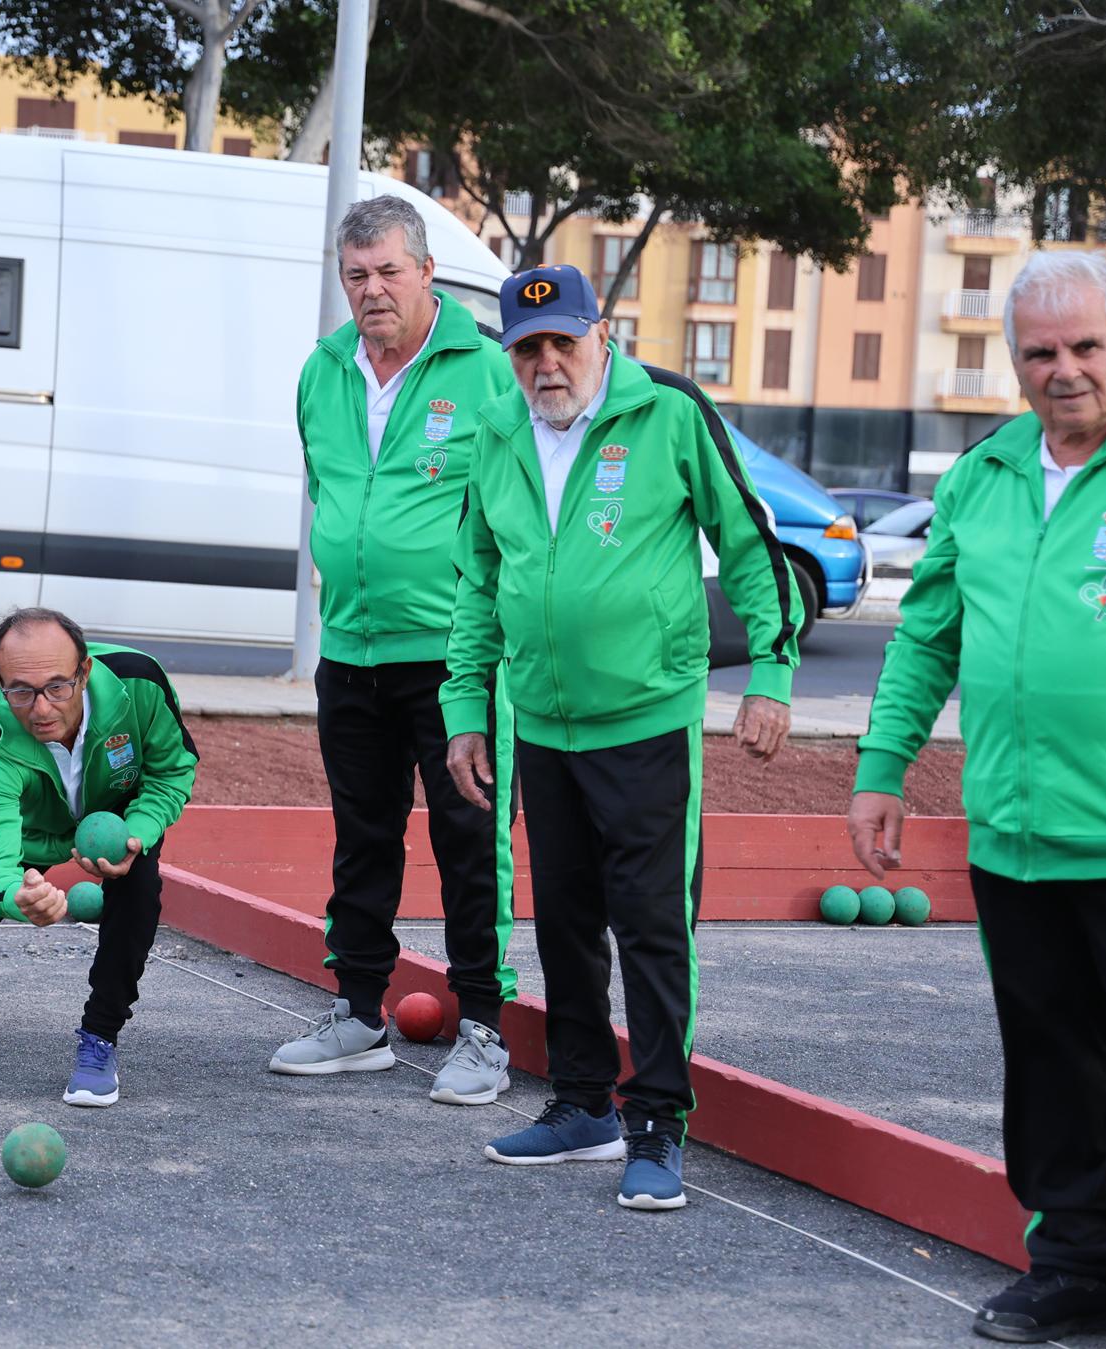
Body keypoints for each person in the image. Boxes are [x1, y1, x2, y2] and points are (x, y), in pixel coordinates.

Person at [443, 263, 800, 1211]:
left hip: (647, 721)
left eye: (563, 341)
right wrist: (467, 710)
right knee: (562, 922)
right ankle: (581, 1105)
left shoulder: (670, 413)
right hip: (542, 727)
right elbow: (478, 580)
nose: (547, 363)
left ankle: (658, 1123)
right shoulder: (498, 430)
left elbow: (751, 541)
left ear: (602, 334)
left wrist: (771, 672)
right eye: (528, 349)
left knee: (650, 926)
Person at [850, 251, 1106, 1343]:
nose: (1064, 371)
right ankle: (1072, 1265)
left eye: (1086, 346)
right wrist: (879, 766)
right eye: (1041, 352)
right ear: (1011, 363)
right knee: (1047, 1059)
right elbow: (926, 636)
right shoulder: (981, 474)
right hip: (1014, 833)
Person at [269, 196, 522, 1108]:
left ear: (426, 273)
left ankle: (486, 1030)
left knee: (469, 841)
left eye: (388, 272)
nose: (372, 291)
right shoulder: (322, 370)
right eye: (356, 277)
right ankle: (359, 1014)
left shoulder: (490, 370)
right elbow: (329, 490)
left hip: (455, 658)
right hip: (352, 649)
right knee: (363, 837)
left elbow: (515, 510)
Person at [0, 608, 199, 1108]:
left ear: (83, 672)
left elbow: (170, 772)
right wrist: (22, 900)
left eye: (58, 687)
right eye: (21, 690)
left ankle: (100, 1036)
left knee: (138, 895)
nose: (42, 708)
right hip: (37, 833)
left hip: (120, 818)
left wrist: (137, 833)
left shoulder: (141, 682)